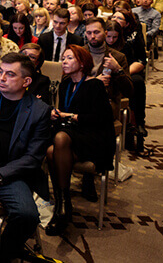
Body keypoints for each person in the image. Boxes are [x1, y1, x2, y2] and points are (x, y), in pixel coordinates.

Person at [0, 52, 51, 262]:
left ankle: (1, 255)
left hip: (9, 174)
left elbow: (33, 158)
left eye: (10, 74)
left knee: (27, 215)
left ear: (27, 81)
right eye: (1, 72)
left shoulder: (39, 111)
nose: (2, 78)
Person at [45, 45, 115, 236]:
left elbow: (101, 119)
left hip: (94, 137)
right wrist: (57, 115)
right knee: (51, 151)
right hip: (72, 136)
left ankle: (62, 206)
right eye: (63, 58)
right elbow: (65, 113)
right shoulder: (66, 83)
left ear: (82, 63)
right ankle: (63, 204)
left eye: (69, 58)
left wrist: (72, 116)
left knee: (59, 139)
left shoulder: (95, 85)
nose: (63, 62)